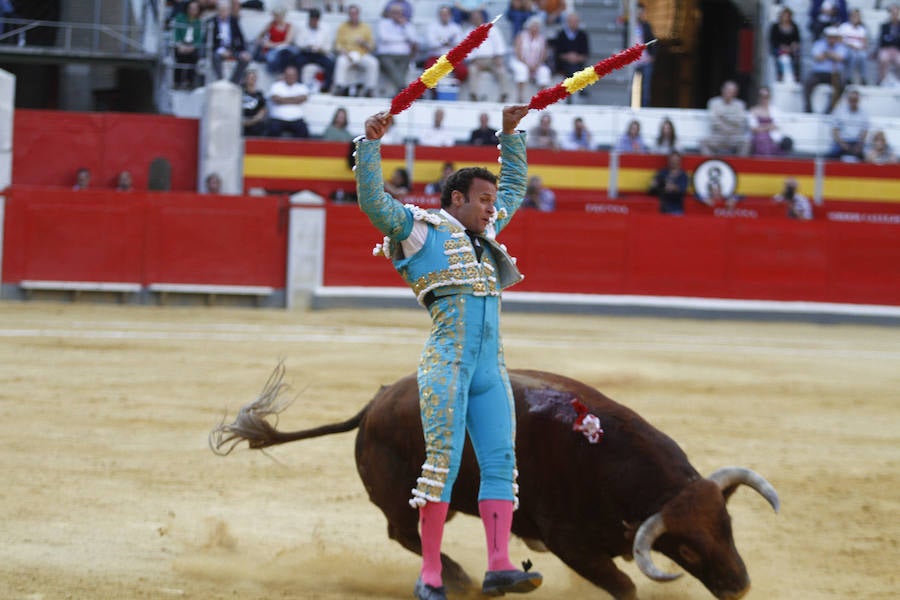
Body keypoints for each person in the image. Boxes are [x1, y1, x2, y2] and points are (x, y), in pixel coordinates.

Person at [355, 104, 542, 600]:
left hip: (489, 371)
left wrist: (510, 133)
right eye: (481, 200)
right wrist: (371, 146)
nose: (491, 208)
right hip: (446, 366)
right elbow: (374, 202)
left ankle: (500, 563)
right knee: (442, 465)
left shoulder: (488, 233)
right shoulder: (420, 231)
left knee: (502, 462)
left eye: (490, 201)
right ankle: (431, 574)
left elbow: (514, 189)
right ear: (456, 200)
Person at [465, 10, 512, 102]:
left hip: (492, 60)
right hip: (477, 61)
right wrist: (473, 60)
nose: (476, 19)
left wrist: (498, 58)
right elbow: (466, 49)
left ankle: (504, 94)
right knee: (472, 70)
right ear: (471, 20)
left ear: (482, 17)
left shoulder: (492, 29)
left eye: (477, 17)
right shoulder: (468, 32)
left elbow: (498, 45)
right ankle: (473, 95)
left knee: (501, 70)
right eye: (474, 18)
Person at [332, 4, 378, 97]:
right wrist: (343, 52)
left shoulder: (366, 27)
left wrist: (363, 43)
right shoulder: (342, 27)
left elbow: (372, 46)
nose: (353, 16)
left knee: (373, 63)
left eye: (355, 13)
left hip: (362, 54)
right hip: (347, 54)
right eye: (351, 13)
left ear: (358, 14)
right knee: (341, 61)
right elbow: (338, 44)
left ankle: (369, 89)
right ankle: (340, 87)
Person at [376, 2, 418, 96]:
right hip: (386, 54)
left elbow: (413, 39)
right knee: (393, 69)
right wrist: (403, 39)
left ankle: (400, 91)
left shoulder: (406, 24)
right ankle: (403, 88)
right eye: (394, 12)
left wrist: (404, 26)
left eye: (399, 12)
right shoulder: (384, 23)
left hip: (403, 55)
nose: (396, 15)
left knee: (402, 69)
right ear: (390, 13)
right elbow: (384, 38)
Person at [803, 27, 848, 113]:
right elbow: (817, 58)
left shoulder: (841, 46)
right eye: (830, 37)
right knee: (808, 83)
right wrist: (832, 55)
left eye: (834, 37)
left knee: (841, 85)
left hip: (834, 74)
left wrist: (826, 54)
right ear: (826, 37)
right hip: (818, 73)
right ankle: (808, 109)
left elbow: (840, 58)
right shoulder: (819, 44)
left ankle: (830, 110)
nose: (832, 39)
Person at [206, 0, 252, 84]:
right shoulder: (211, 22)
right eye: (221, 10)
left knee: (245, 59)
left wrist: (243, 51)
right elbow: (208, 41)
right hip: (218, 50)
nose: (224, 12)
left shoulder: (233, 21)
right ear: (217, 10)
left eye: (226, 10)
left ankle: (233, 82)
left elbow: (240, 37)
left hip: (233, 49)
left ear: (229, 11)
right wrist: (221, 50)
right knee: (215, 56)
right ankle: (221, 81)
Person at [700, 80, 749, 156]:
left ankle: (739, 166)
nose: (729, 93)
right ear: (722, 90)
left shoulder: (740, 105)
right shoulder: (713, 103)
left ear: (735, 93)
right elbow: (714, 122)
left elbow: (739, 122)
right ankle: (713, 165)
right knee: (704, 142)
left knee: (746, 142)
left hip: (734, 136)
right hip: (718, 136)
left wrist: (723, 118)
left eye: (732, 91)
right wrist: (729, 123)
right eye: (727, 90)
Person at [510, 16, 552, 104]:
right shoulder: (521, 36)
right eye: (533, 26)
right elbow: (517, 52)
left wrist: (537, 65)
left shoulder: (541, 38)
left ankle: (541, 97)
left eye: (537, 26)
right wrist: (528, 65)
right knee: (522, 70)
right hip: (520, 61)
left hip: (536, 64)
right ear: (528, 26)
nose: (535, 28)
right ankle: (520, 97)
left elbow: (544, 54)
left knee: (545, 71)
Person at [424, 5, 468, 87]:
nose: (444, 16)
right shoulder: (432, 27)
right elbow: (431, 44)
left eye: (446, 14)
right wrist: (446, 42)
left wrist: (440, 42)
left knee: (463, 71)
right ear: (439, 15)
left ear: (450, 15)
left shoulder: (456, 27)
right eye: (442, 14)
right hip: (436, 56)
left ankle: (453, 88)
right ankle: (435, 94)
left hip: (452, 57)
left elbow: (460, 44)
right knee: (429, 72)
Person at [293, 8, 335, 93]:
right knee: (297, 61)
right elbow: (298, 43)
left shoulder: (325, 29)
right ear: (310, 19)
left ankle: (326, 87)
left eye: (316, 19)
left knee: (329, 63)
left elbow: (328, 47)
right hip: (306, 52)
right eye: (312, 19)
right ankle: (298, 84)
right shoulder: (302, 28)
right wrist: (307, 45)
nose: (314, 21)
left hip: (319, 54)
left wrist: (320, 49)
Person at [622, 3, 656, 107]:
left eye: (641, 12)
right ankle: (628, 106)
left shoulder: (646, 26)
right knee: (629, 85)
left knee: (645, 87)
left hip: (645, 60)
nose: (639, 14)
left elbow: (653, 41)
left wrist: (652, 56)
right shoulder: (627, 26)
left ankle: (645, 108)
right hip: (631, 61)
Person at [266, 65, 310, 138]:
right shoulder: (276, 85)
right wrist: (295, 99)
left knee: (304, 132)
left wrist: (283, 99)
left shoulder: (302, 87)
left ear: (296, 76)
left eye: (293, 75)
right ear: (285, 75)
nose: (291, 77)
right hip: (278, 118)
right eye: (288, 75)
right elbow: (276, 99)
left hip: (297, 119)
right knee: (272, 131)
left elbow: (303, 98)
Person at [252, 5, 295, 74]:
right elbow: (259, 37)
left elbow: (287, 41)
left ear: (282, 16)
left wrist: (273, 44)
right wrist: (264, 42)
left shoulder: (289, 26)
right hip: (272, 50)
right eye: (275, 16)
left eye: (277, 16)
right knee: (271, 58)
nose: (275, 17)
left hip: (282, 50)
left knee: (289, 54)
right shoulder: (270, 25)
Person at [828, 88, 869, 160]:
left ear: (858, 100)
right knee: (831, 157)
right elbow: (835, 131)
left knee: (867, 158)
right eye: (851, 99)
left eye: (855, 99)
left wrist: (859, 145)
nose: (853, 101)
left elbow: (865, 132)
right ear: (847, 100)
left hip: (856, 142)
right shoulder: (839, 111)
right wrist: (843, 144)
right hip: (841, 142)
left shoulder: (864, 114)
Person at [172, 1, 204, 89]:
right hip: (180, 45)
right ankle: (177, 81)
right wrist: (179, 45)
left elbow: (199, 39)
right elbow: (176, 34)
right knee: (179, 56)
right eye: (190, 8)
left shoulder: (199, 22)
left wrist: (192, 47)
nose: (192, 11)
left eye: (195, 9)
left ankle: (190, 82)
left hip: (192, 47)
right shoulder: (180, 18)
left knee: (193, 57)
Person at [749, 86, 787, 156]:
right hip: (757, 139)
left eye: (766, 96)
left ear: (769, 97)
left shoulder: (775, 110)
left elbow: (776, 126)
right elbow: (753, 129)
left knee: (764, 139)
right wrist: (768, 127)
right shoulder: (753, 110)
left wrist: (761, 127)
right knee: (761, 138)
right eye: (761, 96)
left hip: (772, 139)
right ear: (758, 97)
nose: (763, 99)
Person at [553, 12, 589, 81]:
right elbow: (558, 53)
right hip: (564, 63)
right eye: (571, 21)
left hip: (578, 63)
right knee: (571, 69)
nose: (573, 23)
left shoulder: (583, 35)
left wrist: (576, 58)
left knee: (575, 69)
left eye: (575, 21)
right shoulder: (561, 35)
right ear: (567, 22)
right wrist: (568, 57)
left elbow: (586, 53)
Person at [768, 7, 801, 83]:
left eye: (788, 16)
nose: (786, 18)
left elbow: (797, 39)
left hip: (791, 49)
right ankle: (780, 74)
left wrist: (793, 46)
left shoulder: (794, 26)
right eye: (785, 16)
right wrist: (782, 47)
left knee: (796, 55)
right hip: (778, 48)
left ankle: (795, 75)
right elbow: (773, 40)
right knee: (780, 56)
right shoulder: (775, 26)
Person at [839, 9, 869, 85]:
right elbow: (840, 40)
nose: (855, 18)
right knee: (853, 56)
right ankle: (848, 78)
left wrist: (861, 47)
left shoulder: (862, 29)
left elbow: (865, 43)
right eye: (854, 16)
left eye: (857, 16)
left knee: (863, 56)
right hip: (846, 48)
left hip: (858, 49)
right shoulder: (844, 26)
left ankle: (863, 78)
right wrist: (851, 45)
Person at [877, 4, 900, 85]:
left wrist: (891, 39)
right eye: (893, 13)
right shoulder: (884, 26)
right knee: (883, 59)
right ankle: (883, 81)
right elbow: (882, 41)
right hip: (886, 49)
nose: (894, 15)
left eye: (896, 13)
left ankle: (898, 81)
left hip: (897, 50)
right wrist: (894, 39)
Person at [241, 68, 267, 137]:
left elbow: (263, 110)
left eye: (254, 78)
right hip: (241, 121)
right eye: (250, 78)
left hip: (255, 121)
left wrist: (254, 120)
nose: (252, 80)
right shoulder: (240, 93)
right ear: (245, 79)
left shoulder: (259, 94)